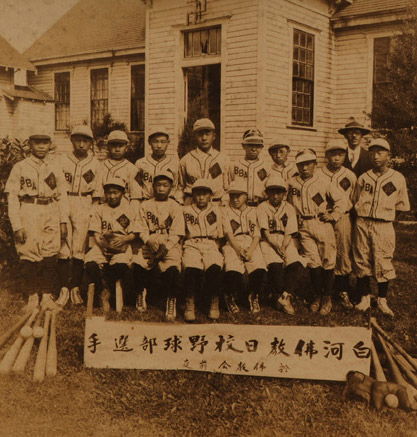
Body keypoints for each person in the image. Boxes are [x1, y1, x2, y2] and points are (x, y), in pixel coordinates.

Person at [5, 129, 69, 310]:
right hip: (29, 208)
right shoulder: (21, 167)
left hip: (51, 208)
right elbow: (12, 198)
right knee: (28, 252)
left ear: (50, 145)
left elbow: (62, 195)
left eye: (45, 142)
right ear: (29, 145)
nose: (41, 146)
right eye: (36, 142)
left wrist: (63, 220)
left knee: (50, 252)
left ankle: (47, 296)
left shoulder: (55, 167)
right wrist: (17, 226)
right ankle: (33, 296)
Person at [352, 138, 410, 316]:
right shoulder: (363, 177)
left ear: (388, 156)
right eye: (372, 152)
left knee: (383, 260)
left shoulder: (397, 178)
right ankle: (365, 298)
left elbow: (402, 206)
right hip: (362, 221)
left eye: (380, 152)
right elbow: (355, 199)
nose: (375, 156)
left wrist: (387, 220)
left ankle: (382, 299)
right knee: (361, 258)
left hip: (383, 224)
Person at [287, 149, 345, 315]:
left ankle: (326, 297)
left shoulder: (323, 181)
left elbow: (341, 200)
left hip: (321, 222)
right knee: (313, 261)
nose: (304, 167)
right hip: (303, 224)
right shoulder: (292, 183)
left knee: (328, 259)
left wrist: (333, 215)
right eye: (301, 164)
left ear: (314, 164)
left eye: (308, 163)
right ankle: (317, 295)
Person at [131, 171, 184, 321]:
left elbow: (177, 233)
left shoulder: (175, 206)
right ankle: (140, 293)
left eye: (165, 185)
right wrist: (147, 240)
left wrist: (164, 249)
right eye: (158, 185)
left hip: (169, 242)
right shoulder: (146, 205)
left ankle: (171, 299)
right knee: (139, 263)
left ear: (171, 188)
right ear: (153, 186)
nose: (161, 188)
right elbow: (140, 228)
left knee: (172, 267)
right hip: (151, 239)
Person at [57, 125, 100, 306]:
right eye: (78, 140)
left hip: (85, 202)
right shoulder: (61, 161)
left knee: (79, 248)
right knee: (63, 246)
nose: (81, 144)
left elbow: (97, 194)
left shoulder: (96, 164)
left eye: (86, 140)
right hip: (65, 200)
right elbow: (57, 189)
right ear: (72, 140)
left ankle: (74, 287)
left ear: (91, 143)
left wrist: (93, 214)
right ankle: (63, 289)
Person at [84, 177, 136, 311]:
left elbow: (134, 233)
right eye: (109, 192)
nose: (112, 196)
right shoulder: (99, 209)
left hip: (121, 244)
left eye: (116, 192)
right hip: (102, 243)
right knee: (90, 264)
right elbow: (95, 232)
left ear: (122, 193)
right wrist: (103, 246)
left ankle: (107, 286)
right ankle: (103, 291)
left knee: (121, 266)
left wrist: (124, 240)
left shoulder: (130, 209)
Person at [257, 175, 305, 315]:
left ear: (284, 193)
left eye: (279, 192)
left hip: (286, 240)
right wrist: (277, 247)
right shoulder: (262, 207)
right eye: (272, 192)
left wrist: (283, 247)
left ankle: (284, 296)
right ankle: (278, 295)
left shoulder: (289, 207)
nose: (275, 195)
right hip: (269, 241)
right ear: (267, 193)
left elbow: (290, 231)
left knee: (295, 263)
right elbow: (265, 231)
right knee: (276, 266)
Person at [317, 139, 357, 309]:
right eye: (333, 154)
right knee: (322, 254)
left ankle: (342, 290)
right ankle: (320, 292)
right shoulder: (318, 174)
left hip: (342, 217)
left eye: (340, 154)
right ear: (327, 156)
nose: (336, 158)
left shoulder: (350, 175)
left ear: (345, 156)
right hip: (322, 217)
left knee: (343, 253)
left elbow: (354, 199)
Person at [222, 180, 266, 314]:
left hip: (251, 242)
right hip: (233, 243)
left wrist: (251, 250)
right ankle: (229, 296)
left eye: (238, 195)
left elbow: (257, 234)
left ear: (245, 196)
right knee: (232, 268)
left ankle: (253, 295)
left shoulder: (253, 211)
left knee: (259, 267)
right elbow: (228, 233)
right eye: (232, 196)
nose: (235, 199)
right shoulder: (226, 211)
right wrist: (238, 249)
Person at [182, 179, 224, 321]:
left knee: (214, 267)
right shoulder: (186, 210)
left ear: (210, 195)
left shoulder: (217, 211)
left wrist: (215, 247)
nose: (201, 197)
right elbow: (180, 232)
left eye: (204, 194)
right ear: (193, 195)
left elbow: (221, 233)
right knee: (191, 268)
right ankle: (190, 303)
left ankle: (214, 302)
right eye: (198, 194)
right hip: (192, 243)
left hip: (210, 242)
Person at [178, 118, 229, 206]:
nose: (204, 138)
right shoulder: (185, 160)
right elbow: (180, 187)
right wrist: (181, 204)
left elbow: (227, 188)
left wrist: (225, 203)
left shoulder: (223, 159)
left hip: (215, 203)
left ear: (214, 136)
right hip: (191, 204)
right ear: (194, 136)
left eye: (208, 134)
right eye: (200, 134)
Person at [93, 130, 141, 206]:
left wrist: (132, 213)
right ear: (108, 146)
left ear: (126, 147)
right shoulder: (100, 166)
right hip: (103, 207)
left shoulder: (132, 168)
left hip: (124, 207)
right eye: (114, 146)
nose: (117, 149)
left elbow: (136, 196)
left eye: (121, 146)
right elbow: (96, 195)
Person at [135, 127, 180, 202]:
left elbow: (178, 187)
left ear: (168, 142)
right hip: (145, 201)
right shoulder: (140, 163)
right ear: (149, 142)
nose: (159, 146)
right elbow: (136, 186)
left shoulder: (175, 163)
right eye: (155, 141)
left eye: (163, 142)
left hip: (167, 203)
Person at [228, 129, 270, 206]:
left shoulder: (267, 167)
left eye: (257, 146)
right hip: (240, 206)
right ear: (243, 145)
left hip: (260, 206)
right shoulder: (235, 165)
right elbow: (227, 187)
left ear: (262, 147)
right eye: (250, 145)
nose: (254, 149)